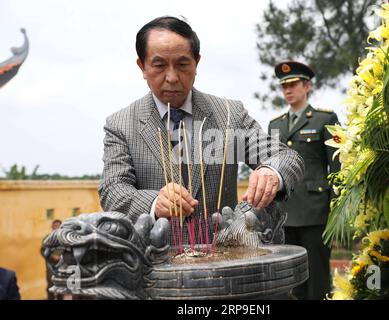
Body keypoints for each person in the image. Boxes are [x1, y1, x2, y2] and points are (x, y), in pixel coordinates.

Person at [98, 16, 304, 244]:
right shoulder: (121, 124)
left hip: (223, 261)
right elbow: (113, 190)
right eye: (159, 65)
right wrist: (156, 203)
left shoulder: (229, 115)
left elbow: (284, 155)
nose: (172, 77)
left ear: (197, 62)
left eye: (182, 64)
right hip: (155, 267)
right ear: (142, 66)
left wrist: (271, 172)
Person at [268, 61, 340, 300]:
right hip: (285, 212)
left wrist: (336, 210)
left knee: (318, 276)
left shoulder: (324, 120)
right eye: (284, 86)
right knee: (291, 277)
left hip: (315, 211)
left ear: (307, 86)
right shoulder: (275, 125)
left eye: (293, 84)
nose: (288, 90)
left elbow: (337, 166)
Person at [41, 219, 62, 300]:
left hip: (62, 266)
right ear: (52, 227)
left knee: (61, 287)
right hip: (50, 266)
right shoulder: (47, 238)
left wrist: (62, 257)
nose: (56, 228)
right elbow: (42, 251)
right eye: (55, 226)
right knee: (51, 286)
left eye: (58, 226)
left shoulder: (64, 238)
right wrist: (51, 256)